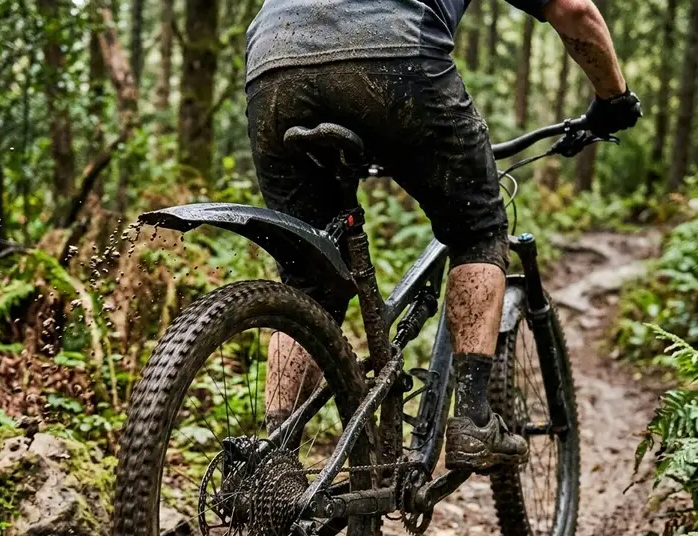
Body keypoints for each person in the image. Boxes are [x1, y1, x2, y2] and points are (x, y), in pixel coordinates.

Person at [246, 0, 641, 472]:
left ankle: (273, 453)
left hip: (272, 63)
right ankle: (473, 420)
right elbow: (573, 9)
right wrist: (613, 99)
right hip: (394, 55)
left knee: (309, 284)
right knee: (477, 230)